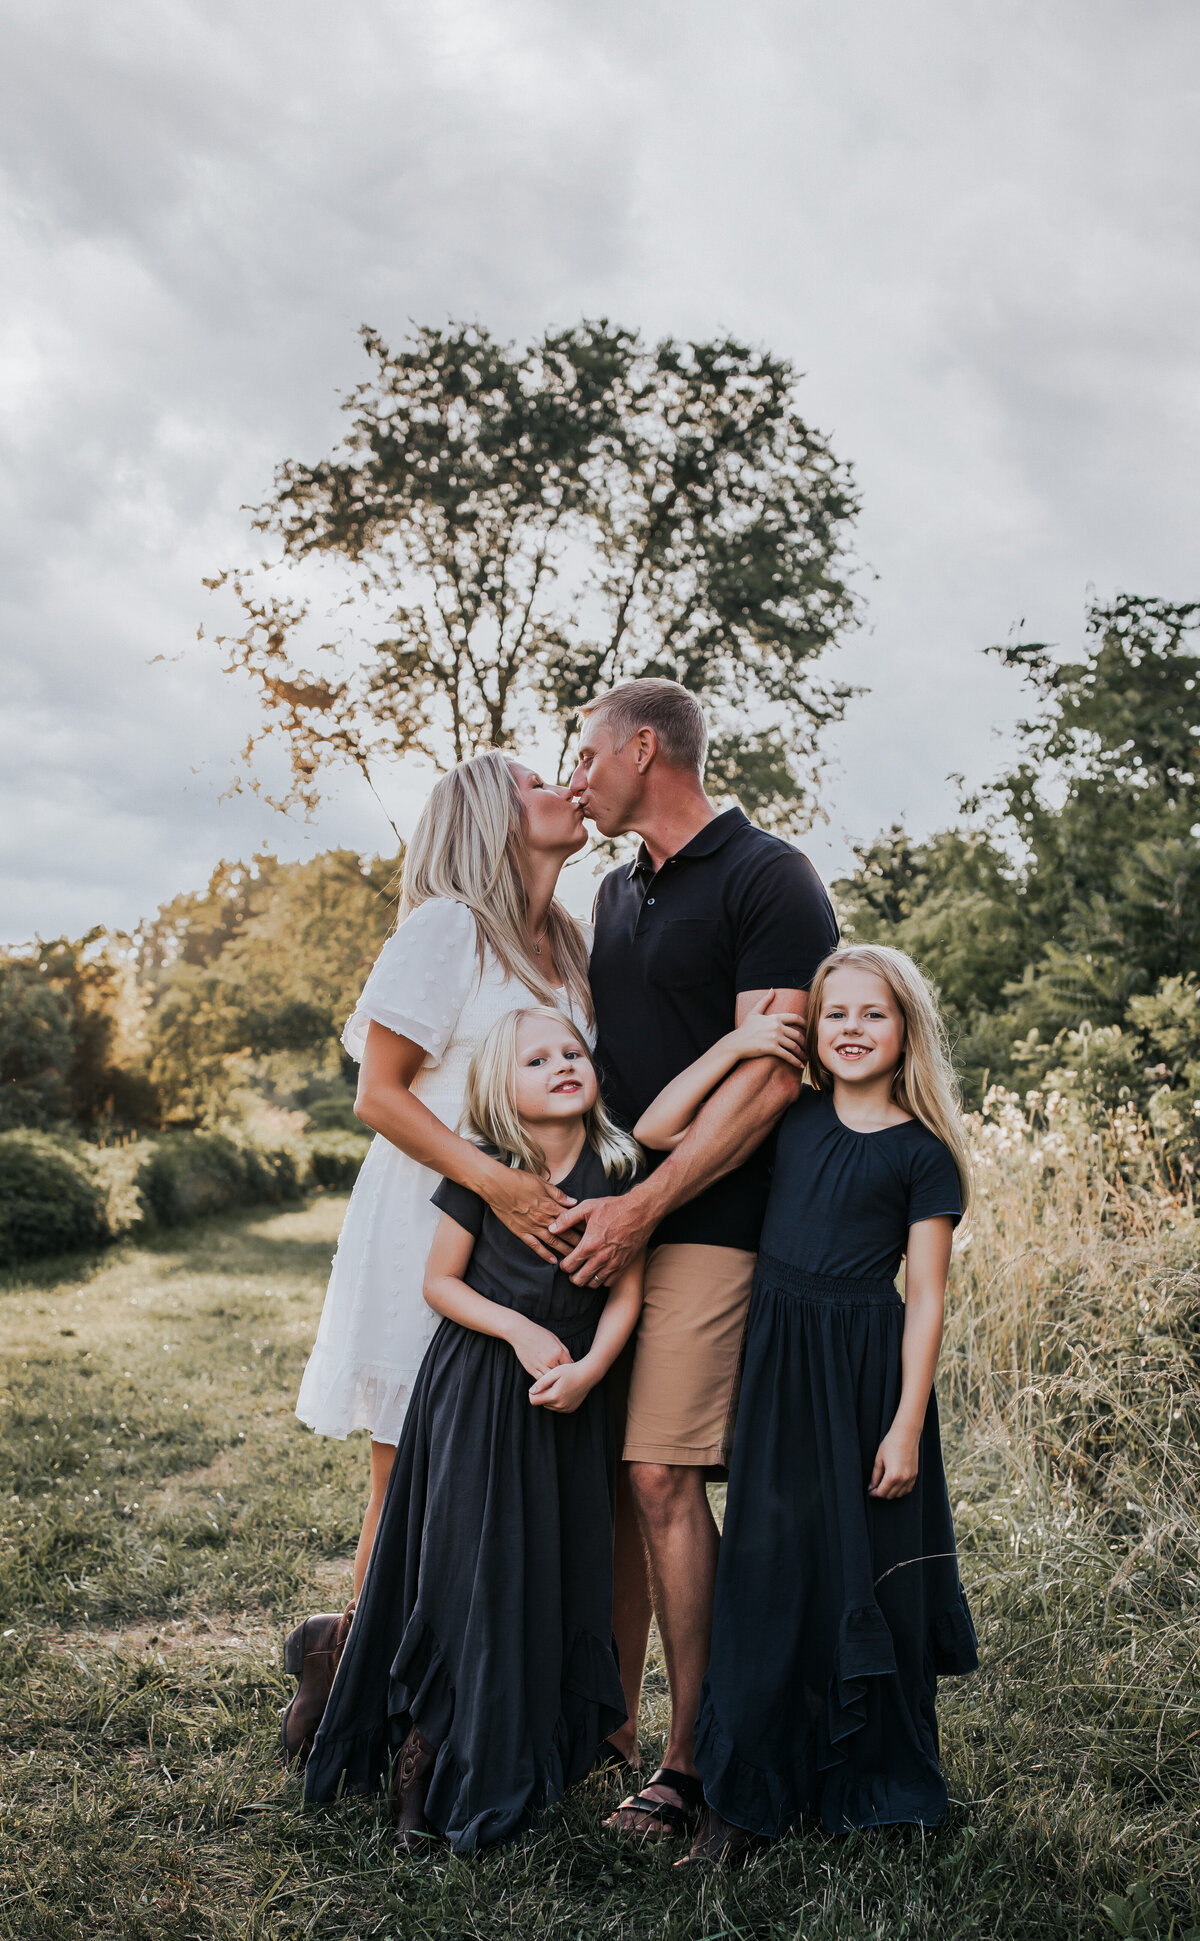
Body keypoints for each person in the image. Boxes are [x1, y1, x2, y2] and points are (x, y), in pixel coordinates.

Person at [557, 679, 840, 1841]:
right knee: (612, 1486)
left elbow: (771, 1079)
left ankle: (691, 1764)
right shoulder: (613, 894)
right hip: (607, 1230)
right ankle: (603, 1730)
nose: (575, 772)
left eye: (584, 751)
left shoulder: (771, 877)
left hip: (714, 1228)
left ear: (642, 746)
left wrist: (648, 1208)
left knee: (666, 1478)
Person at [282, 752, 593, 1767]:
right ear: (493, 821)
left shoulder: (568, 943)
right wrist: (498, 1185)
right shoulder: (447, 928)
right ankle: (358, 1693)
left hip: (530, 1249)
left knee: (497, 1477)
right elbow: (380, 1094)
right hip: (430, 1216)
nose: (567, 789)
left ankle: (457, 1699)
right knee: (413, 1474)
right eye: (541, 782)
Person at [303, 1007, 645, 1853]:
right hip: (481, 1389)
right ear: (502, 1085)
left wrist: (592, 1368)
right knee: (464, 1573)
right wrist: (520, 1331)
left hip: (569, 1401)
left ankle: (523, 1750)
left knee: (542, 1572)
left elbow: (628, 1292)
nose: (563, 1064)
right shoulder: (488, 1169)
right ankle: (421, 1773)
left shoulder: (618, 1166)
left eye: (573, 1051)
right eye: (538, 1058)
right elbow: (440, 1283)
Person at [677, 945, 979, 1862]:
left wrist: (903, 1425)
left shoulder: (925, 1156)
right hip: (778, 1366)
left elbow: (925, 1296)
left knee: (868, 1568)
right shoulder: (789, 1116)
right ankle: (747, 1794)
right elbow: (657, 1130)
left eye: (872, 1013)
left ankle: (876, 1784)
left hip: (865, 1374)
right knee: (768, 1570)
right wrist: (736, 1047)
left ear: (905, 1029)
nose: (850, 1028)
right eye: (834, 1012)